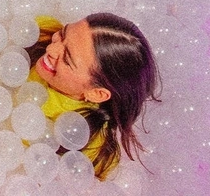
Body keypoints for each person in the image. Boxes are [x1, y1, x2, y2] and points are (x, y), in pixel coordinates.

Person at [27, 13, 159, 180]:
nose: (51, 49)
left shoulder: (92, 150)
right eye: (62, 34)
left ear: (96, 93)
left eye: (67, 59)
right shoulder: (42, 30)